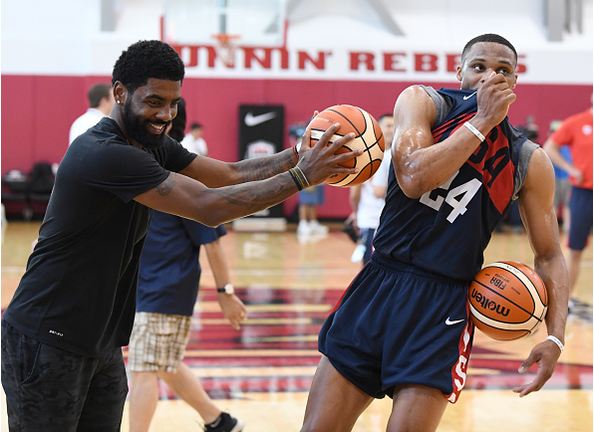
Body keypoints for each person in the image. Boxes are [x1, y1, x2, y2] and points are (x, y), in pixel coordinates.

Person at [0, 39, 359, 431]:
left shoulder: (151, 144)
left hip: (99, 341)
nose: (166, 114)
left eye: (173, 103)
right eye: (154, 101)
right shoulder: (106, 153)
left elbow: (231, 174)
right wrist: (303, 176)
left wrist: (296, 154)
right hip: (47, 337)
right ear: (119, 93)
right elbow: (211, 206)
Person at [302, 34, 568, 432]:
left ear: (514, 83)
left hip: (442, 306)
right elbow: (412, 177)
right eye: (478, 67)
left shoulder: (527, 159)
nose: (488, 78)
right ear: (459, 71)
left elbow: (549, 255)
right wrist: (481, 122)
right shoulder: (422, 102)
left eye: (502, 71)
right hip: (379, 284)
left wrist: (557, 337)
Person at [127, 97, 246, 432]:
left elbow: (213, 242)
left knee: (144, 366)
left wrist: (225, 292)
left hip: (165, 288)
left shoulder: (180, 176)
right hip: (143, 286)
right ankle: (220, 421)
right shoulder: (141, 165)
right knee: (163, 362)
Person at [543, 100, 593, 310]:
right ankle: (565, 301)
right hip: (584, 195)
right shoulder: (577, 123)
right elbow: (550, 147)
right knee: (575, 249)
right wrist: (570, 168)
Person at [346, 113, 394, 265]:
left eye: (395, 126)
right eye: (388, 126)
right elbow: (356, 192)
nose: (392, 130)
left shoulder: (396, 156)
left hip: (390, 221)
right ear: (379, 129)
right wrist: (356, 213)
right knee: (370, 267)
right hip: (371, 219)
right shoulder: (368, 157)